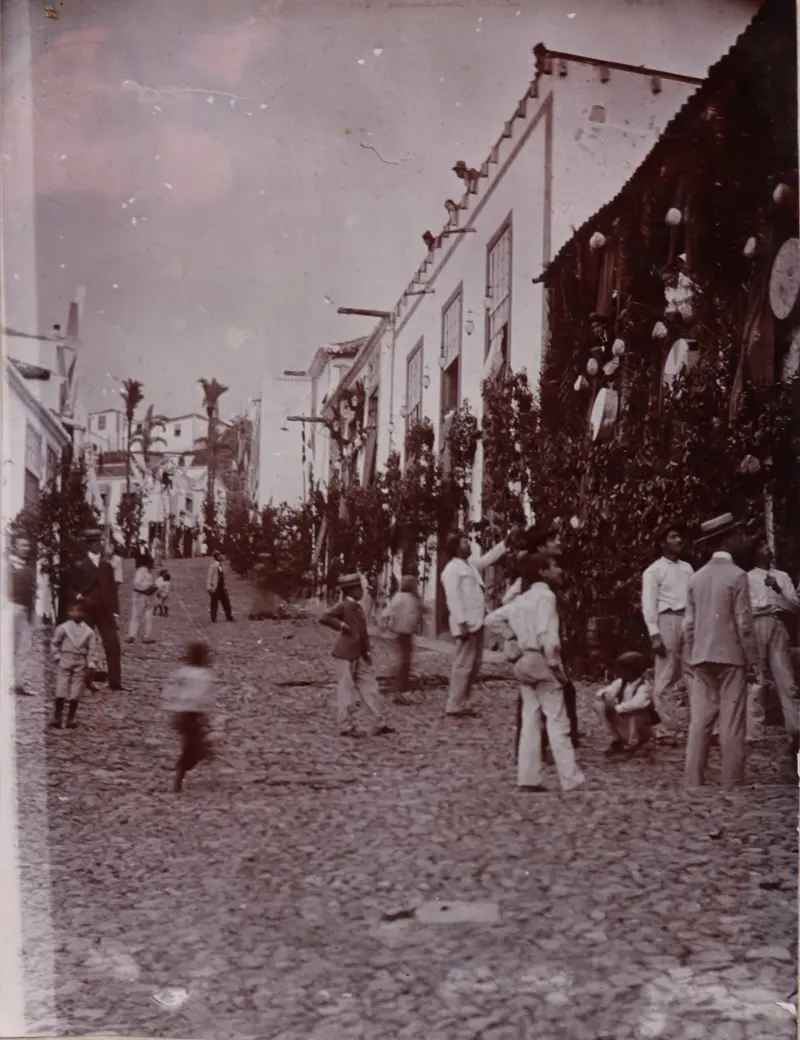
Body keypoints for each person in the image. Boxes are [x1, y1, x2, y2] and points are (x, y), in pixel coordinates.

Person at [484, 552, 585, 792]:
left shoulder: (521, 599)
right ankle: (570, 779)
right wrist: (557, 668)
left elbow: (491, 619)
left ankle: (528, 778)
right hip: (542, 661)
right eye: (555, 566)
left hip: (524, 661)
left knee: (530, 719)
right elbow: (547, 637)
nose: (559, 570)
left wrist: (514, 637)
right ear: (543, 571)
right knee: (557, 720)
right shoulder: (546, 597)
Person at [683, 513, 759, 788]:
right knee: (732, 722)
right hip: (731, 657)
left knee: (700, 721)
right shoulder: (738, 576)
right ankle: (732, 780)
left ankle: (693, 780)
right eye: (738, 535)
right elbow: (744, 624)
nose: (742, 540)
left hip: (701, 657)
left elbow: (688, 624)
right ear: (727, 539)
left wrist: (690, 656)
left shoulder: (696, 578)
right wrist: (753, 661)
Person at [440, 528, 514, 718]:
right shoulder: (451, 570)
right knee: (463, 664)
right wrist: (461, 622)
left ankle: (462, 701)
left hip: (477, 621)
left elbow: (487, 559)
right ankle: (454, 703)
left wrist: (506, 543)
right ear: (456, 548)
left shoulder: (469, 565)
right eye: (465, 542)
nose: (469, 545)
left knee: (475, 664)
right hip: (466, 623)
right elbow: (453, 599)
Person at [320, 573, 393, 738]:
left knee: (370, 687)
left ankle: (378, 722)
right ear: (350, 590)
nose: (361, 591)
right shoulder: (343, 606)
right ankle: (345, 726)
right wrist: (341, 626)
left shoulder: (358, 608)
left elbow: (363, 632)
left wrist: (366, 651)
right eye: (358, 588)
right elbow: (324, 617)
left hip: (358, 655)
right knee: (346, 691)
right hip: (345, 655)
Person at [641, 522, 695, 741]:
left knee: (692, 672)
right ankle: (665, 727)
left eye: (679, 536)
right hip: (667, 620)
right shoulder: (653, 571)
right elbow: (648, 604)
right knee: (665, 673)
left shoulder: (688, 568)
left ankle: (697, 726)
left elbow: (693, 598)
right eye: (673, 537)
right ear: (663, 543)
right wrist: (654, 634)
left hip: (688, 620)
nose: (678, 541)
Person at [747, 535, 800, 756]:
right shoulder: (747, 577)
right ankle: (752, 733)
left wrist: (778, 590)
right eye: (761, 546)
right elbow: (746, 606)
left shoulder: (782, 577)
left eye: (768, 545)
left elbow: (795, 606)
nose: (767, 549)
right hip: (756, 625)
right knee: (756, 680)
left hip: (777, 625)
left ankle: (796, 732)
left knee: (785, 680)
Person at [72, 527, 123, 691]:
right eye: (97, 542)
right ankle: (83, 679)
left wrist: (115, 612)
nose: (101, 545)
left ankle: (115, 682)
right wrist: (80, 598)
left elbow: (112, 590)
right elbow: (69, 588)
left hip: (106, 610)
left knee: (113, 644)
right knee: (83, 645)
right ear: (90, 545)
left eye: (101, 541)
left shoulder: (106, 566)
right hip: (87, 610)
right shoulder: (80, 565)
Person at [163, 640, 216, 793]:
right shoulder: (204, 675)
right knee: (192, 746)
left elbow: (170, 690)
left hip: (180, 713)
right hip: (192, 713)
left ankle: (187, 765)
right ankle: (180, 772)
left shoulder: (181, 672)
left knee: (191, 742)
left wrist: (171, 707)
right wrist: (205, 716)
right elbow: (202, 697)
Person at [595, 651, 657, 757]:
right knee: (599, 704)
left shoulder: (644, 686)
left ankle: (640, 743)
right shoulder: (621, 682)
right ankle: (618, 739)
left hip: (639, 721)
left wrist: (617, 708)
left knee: (637, 712)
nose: (618, 671)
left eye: (621, 669)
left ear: (631, 671)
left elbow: (638, 703)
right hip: (625, 717)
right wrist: (605, 696)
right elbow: (604, 692)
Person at [380, 574, 426, 705]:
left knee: (404, 661)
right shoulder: (403, 598)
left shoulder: (408, 598)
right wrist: (383, 624)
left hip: (405, 632)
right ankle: (400, 689)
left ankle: (399, 687)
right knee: (404, 662)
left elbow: (420, 609)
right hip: (402, 633)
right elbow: (387, 612)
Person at [50, 599, 95, 729]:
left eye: (79, 611)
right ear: (68, 612)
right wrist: (57, 656)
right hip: (65, 659)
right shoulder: (63, 628)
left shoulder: (89, 632)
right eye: (72, 610)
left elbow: (91, 649)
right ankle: (57, 716)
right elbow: (54, 643)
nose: (75, 613)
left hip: (80, 661)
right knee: (61, 687)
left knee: (76, 690)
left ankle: (71, 717)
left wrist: (90, 663)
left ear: (85, 613)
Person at [8, 534, 37, 696]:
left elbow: (32, 593)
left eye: (27, 545)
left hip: (25, 611)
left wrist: (31, 613)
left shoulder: (29, 569)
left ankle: (20, 683)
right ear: (14, 547)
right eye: (22, 545)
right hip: (9, 608)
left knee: (24, 647)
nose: (26, 548)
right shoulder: (7, 566)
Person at [127, 548, 157, 643]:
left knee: (147, 617)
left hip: (148, 596)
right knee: (136, 616)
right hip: (140, 595)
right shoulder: (142, 570)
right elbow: (137, 584)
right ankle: (132, 635)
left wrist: (152, 587)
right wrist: (147, 588)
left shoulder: (148, 572)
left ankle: (146, 636)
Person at [206, 551, 234, 623]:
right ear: (217, 557)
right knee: (214, 604)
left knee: (226, 603)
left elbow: (224, 578)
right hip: (215, 588)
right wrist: (209, 587)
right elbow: (209, 577)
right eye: (220, 556)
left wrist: (225, 587)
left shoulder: (221, 566)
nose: (222, 557)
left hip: (221, 587)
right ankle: (213, 618)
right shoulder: (213, 566)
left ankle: (229, 616)